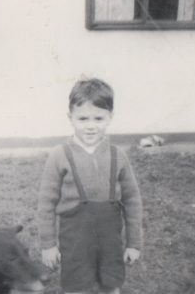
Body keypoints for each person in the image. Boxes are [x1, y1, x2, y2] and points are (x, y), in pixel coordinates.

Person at [37, 78, 143, 294]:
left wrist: (133, 243)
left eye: (98, 118)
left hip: (109, 240)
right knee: (76, 285)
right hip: (75, 238)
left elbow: (132, 200)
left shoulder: (118, 156)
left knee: (110, 283)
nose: (91, 125)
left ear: (110, 117)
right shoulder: (59, 156)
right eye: (83, 118)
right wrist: (48, 244)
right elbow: (46, 204)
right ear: (71, 118)